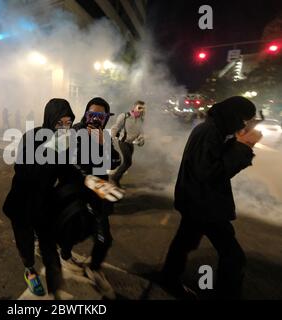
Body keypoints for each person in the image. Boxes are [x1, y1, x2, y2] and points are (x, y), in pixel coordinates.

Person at [160, 96, 263, 299]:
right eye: (243, 120)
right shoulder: (210, 132)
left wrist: (240, 138)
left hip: (199, 202)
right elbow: (209, 172)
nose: (243, 125)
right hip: (204, 205)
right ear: (233, 115)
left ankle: (168, 278)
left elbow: (215, 159)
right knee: (233, 256)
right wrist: (244, 146)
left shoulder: (214, 129)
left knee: (184, 243)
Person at [3, 98, 75, 299]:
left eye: (68, 122)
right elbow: (24, 170)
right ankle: (29, 270)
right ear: (50, 119)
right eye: (60, 122)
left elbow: (65, 173)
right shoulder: (32, 137)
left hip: (44, 201)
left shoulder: (65, 142)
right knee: (24, 239)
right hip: (22, 200)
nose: (65, 127)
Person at [58, 97, 121, 300]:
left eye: (100, 116)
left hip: (98, 192)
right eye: (91, 114)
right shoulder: (76, 131)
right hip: (75, 190)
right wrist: (86, 177)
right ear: (86, 114)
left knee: (105, 237)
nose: (95, 119)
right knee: (73, 229)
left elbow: (116, 160)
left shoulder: (105, 136)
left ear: (105, 119)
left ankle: (94, 268)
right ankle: (65, 255)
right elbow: (70, 159)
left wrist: (103, 144)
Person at [110, 100, 146, 187]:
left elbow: (140, 130)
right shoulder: (125, 116)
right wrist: (111, 138)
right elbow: (116, 127)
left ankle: (116, 177)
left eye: (143, 108)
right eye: (139, 108)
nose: (141, 110)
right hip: (123, 142)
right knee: (128, 162)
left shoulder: (141, 118)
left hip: (131, 143)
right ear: (134, 107)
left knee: (127, 163)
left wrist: (141, 138)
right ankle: (115, 178)